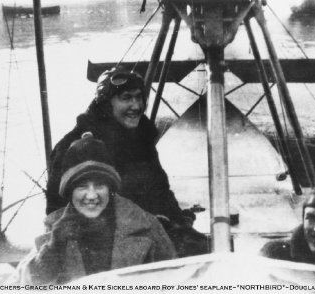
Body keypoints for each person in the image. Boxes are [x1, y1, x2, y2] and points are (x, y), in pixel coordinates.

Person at [46, 68, 207, 257]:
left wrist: (177, 222)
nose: (136, 105)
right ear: (106, 104)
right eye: (126, 98)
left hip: (147, 228)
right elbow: (56, 211)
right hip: (98, 240)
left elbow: (160, 189)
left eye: (139, 98)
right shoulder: (77, 146)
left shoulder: (141, 136)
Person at [12, 133, 176, 285]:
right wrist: (54, 248)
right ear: (69, 192)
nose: (91, 196)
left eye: (99, 185)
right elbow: (24, 283)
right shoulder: (54, 227)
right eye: (82, 186)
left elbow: (176, 280)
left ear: (111, 189)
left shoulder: (147, 225)